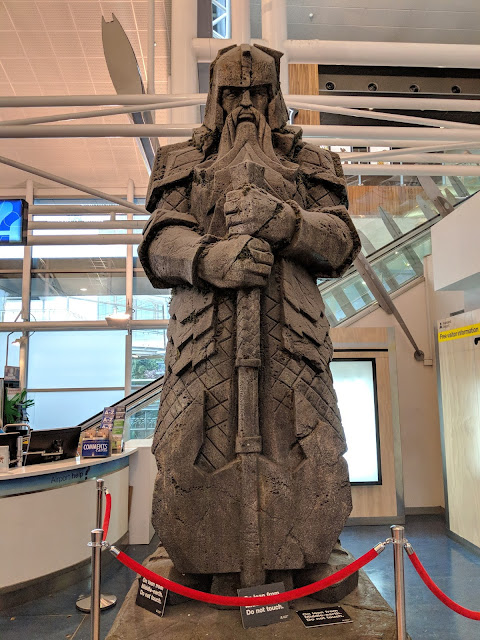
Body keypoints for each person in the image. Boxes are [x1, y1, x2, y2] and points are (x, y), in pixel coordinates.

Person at [138, 44, 361, 592]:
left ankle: (307, 554)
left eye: (257, 92)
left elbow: (340, 241)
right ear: (215, 98)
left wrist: (285, 222)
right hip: (203, 340)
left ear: (274, 96)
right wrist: (207, 258)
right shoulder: (181, 162)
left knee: (311, 447)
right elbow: (160, 242)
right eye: (233, 93)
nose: (245, 105)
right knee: (188, 448)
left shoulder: (311, 163)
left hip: (292, 339)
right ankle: (200, 561)